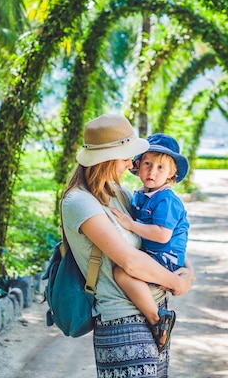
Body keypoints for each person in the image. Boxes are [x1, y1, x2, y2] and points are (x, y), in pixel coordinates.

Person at [61, 113, 194, 378]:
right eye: (126, 158)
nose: (130, 164)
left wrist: (186, 270)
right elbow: (130, 260)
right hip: (122, 320)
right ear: (107, 158)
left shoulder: (118, 194)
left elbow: (159, 239)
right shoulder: (80, 202)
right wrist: (177, 283)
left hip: (156, 313)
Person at [110, 133, 190, 353]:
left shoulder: (166, 199)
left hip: (165, 258)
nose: (152, 171)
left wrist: (129, 224)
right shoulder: (142, 195)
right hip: (155, 254)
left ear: (172, 173)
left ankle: (157, 319)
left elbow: (163, 235)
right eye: (147, 163)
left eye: (161, 168)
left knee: (122, 273)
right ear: (137, 165)